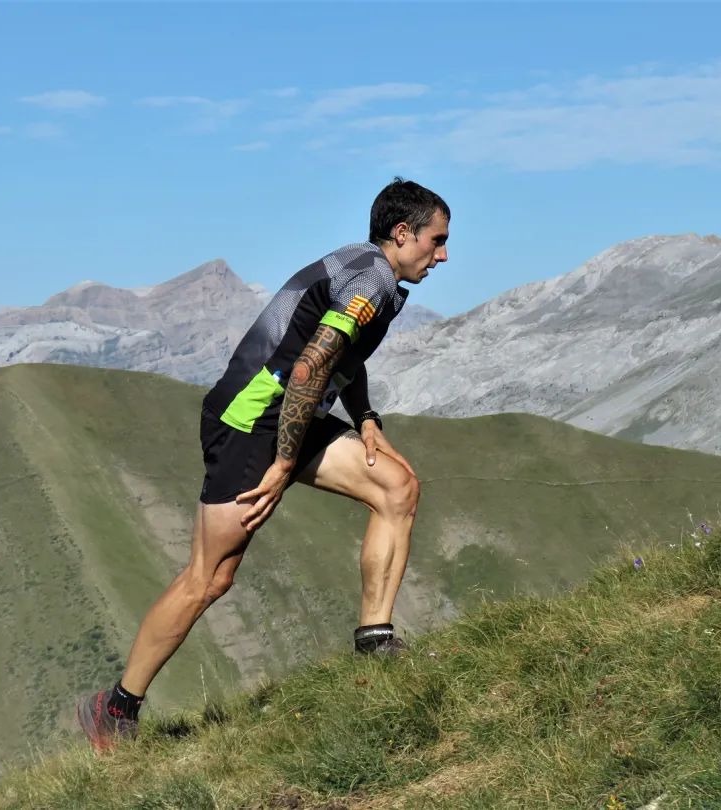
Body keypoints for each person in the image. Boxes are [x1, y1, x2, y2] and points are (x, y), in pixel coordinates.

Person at [77, 178, 450, 751]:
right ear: (402, 234)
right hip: (250, 421)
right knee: (210, 578)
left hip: (291, 415)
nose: (443, 255)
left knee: (397, 488)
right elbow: (307, 369)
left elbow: (340, 359)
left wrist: (367, 415)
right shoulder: (371, 278)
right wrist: (282, 463)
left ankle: (376, 638)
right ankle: (114, 709)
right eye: (437, 240)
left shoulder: (380, 277)